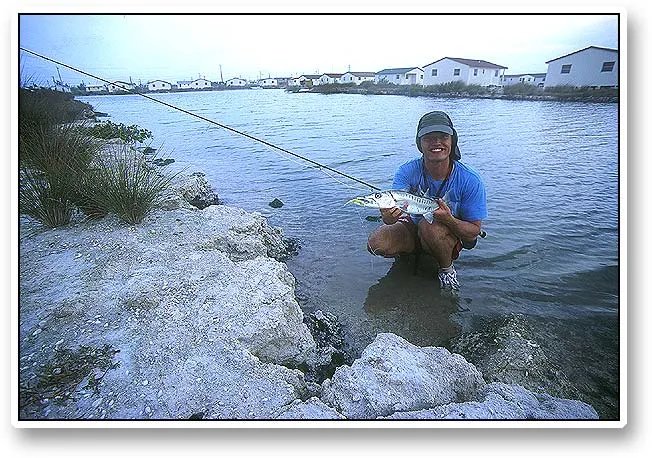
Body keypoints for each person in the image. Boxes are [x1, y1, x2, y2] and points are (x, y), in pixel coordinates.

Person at [367, 110, 487, 293]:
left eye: (443, 137)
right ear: (419, 143)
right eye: (428, 138)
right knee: (376, 243)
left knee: (428, 227)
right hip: (413, 226)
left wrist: (448, 220)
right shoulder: (406, 171)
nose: (436, 142)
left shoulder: (470, 179)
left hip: (444, 232)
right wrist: (388, 217)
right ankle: (412, 254)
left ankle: (446, 270)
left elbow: (473, 233)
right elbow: (393, 214)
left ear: (452, 141)